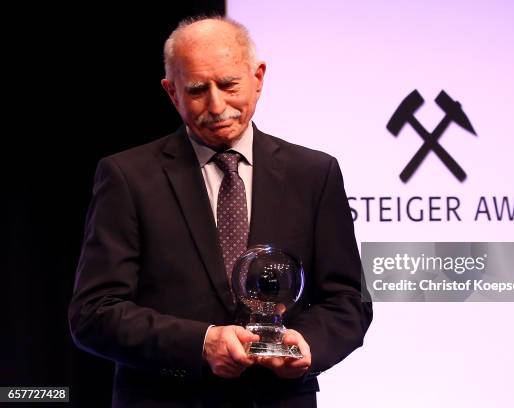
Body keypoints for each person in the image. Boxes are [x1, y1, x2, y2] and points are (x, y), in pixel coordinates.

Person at [69, 16, 372, 408]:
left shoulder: (314, 174)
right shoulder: (127, 177)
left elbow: (348, 301)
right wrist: (202, 342)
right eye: (197, 90)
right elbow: (93, 314)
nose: (216, 105)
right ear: (171, 92)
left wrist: (307, 344)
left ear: (258, 77)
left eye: (229, 84)